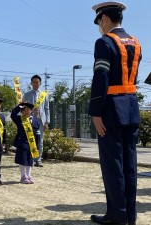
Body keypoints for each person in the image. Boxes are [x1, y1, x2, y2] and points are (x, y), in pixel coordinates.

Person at [89, 2, 141, 225]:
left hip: (111, 110)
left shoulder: (104, 42)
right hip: (131, 107)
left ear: (104, 19)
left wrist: (95, 112)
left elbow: (101, 77)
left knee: (112, 165)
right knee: (129, 165)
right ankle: (130, 214)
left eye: (99, 22)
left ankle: (117, 215)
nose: (99, 27)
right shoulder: (136, 42)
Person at [22, 75, 50, 167]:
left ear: (40, 83)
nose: (35, 83)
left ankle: (38, 159)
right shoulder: (26, 94)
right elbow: (23, 108)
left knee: (40, 140)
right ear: (31, 83)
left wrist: (47, 122)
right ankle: (31, 159)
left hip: (41, 121)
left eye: (37, 82)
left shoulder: (44, 95)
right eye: (34, 82)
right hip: (30, 120)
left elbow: (47, 109)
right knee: (30, 139)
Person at [11, 102, 40, 184]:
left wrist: (36, 145)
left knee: (30, 160)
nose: (26, 111)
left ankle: (28, 175)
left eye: (28, 110)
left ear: (31, 110)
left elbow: (37, 134)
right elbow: (12, 114)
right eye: (24, 110)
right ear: (22, 111)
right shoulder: (19, 119)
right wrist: (19, 106)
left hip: (31, 143)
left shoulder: (35, 121)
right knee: (22, 159)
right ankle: (23, 176)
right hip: (22, 142)